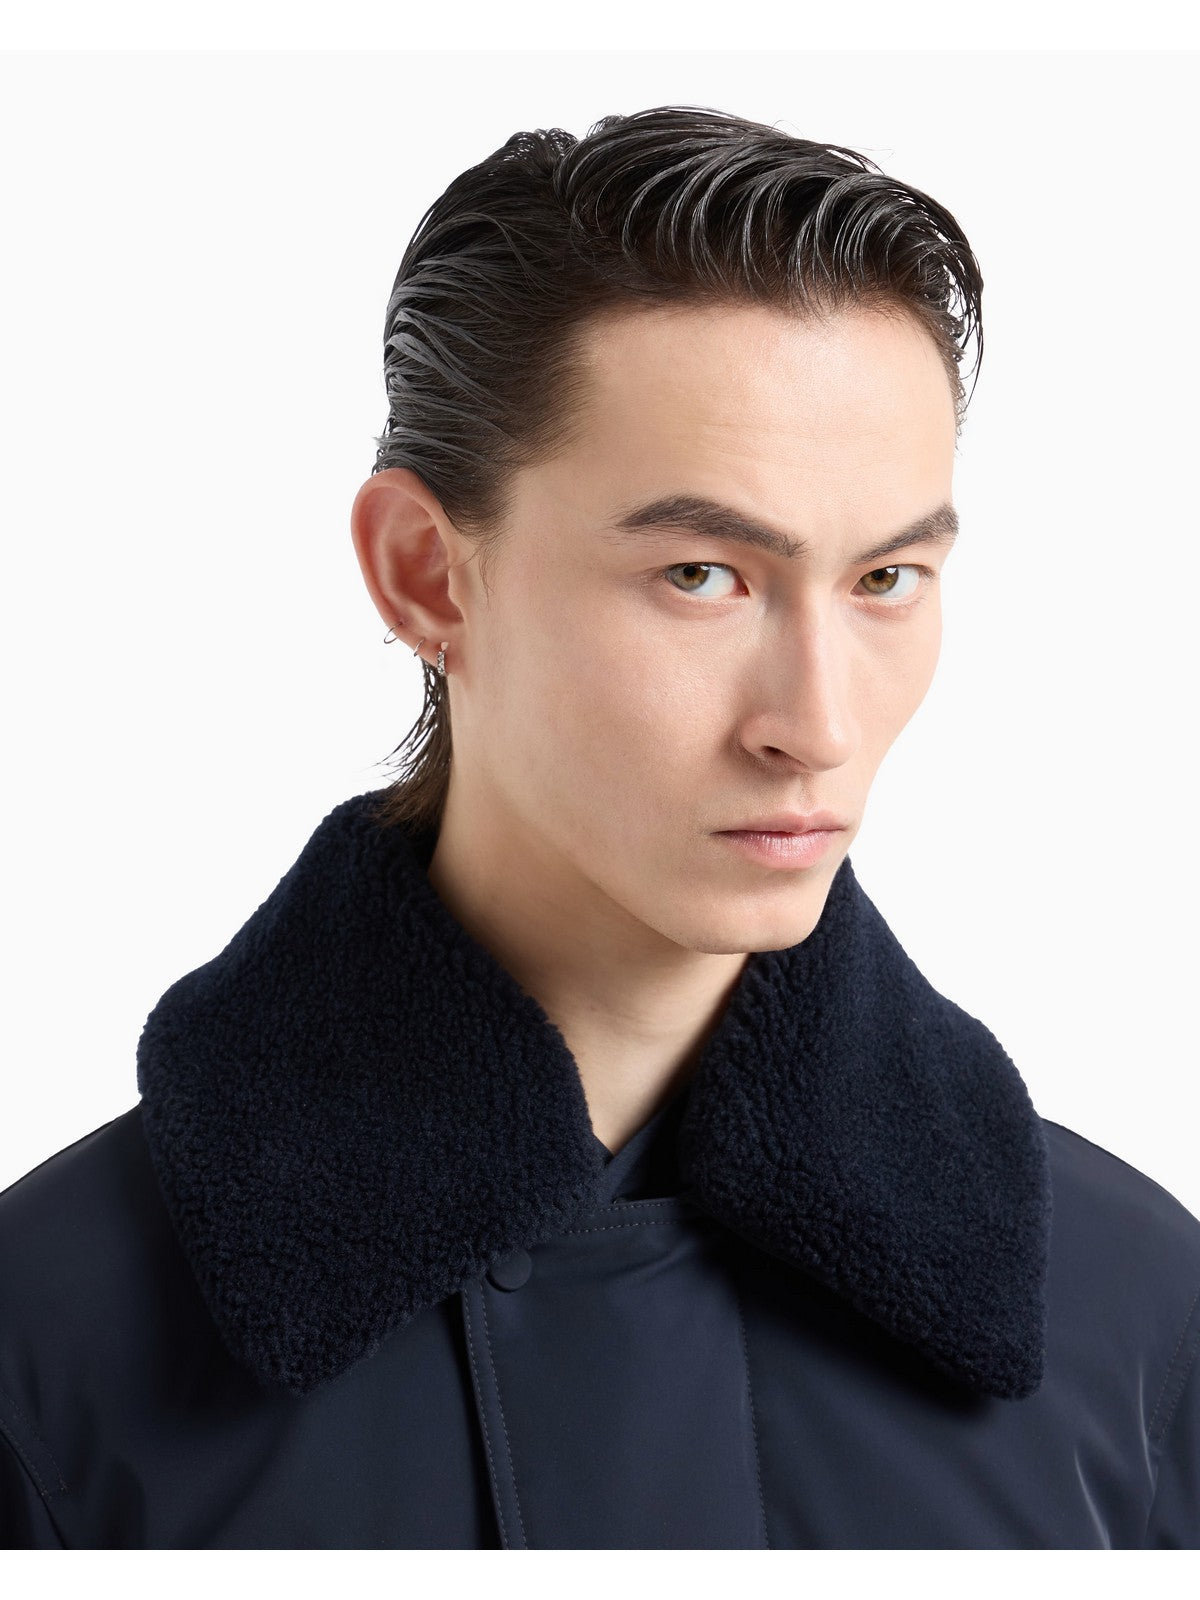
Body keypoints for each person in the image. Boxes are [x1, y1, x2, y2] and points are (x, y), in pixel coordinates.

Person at [1, 103, 1197, 1551]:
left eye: (885, 580)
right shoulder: (48, 1352)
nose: (816, 724)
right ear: (428, 574)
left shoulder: (1138, 1322)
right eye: (702, 576)